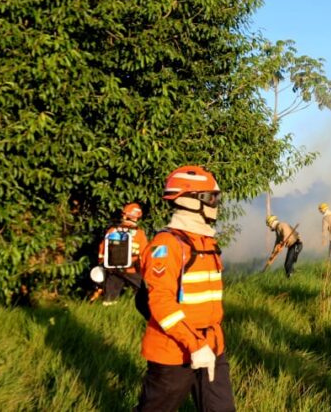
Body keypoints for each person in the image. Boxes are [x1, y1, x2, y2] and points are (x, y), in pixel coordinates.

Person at [136, 165, 234, 411]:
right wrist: (194, 345)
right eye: (212, 197)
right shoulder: (167, 245)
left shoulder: (207, 241)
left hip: (212, 346)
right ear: (191, 200)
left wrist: (206, 345)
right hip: (173, 353)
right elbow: (161, 303)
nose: (216, 204)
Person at [95, 203, 148, 305]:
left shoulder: (112, 230)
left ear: (124, 215)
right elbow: (144, 253)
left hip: (113, 269)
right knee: (144, 292)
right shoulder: (140, 233)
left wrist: (102, 263)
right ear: (137, 217)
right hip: (132, 269)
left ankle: (107, 315)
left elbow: (102, 249)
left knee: (109, 299)